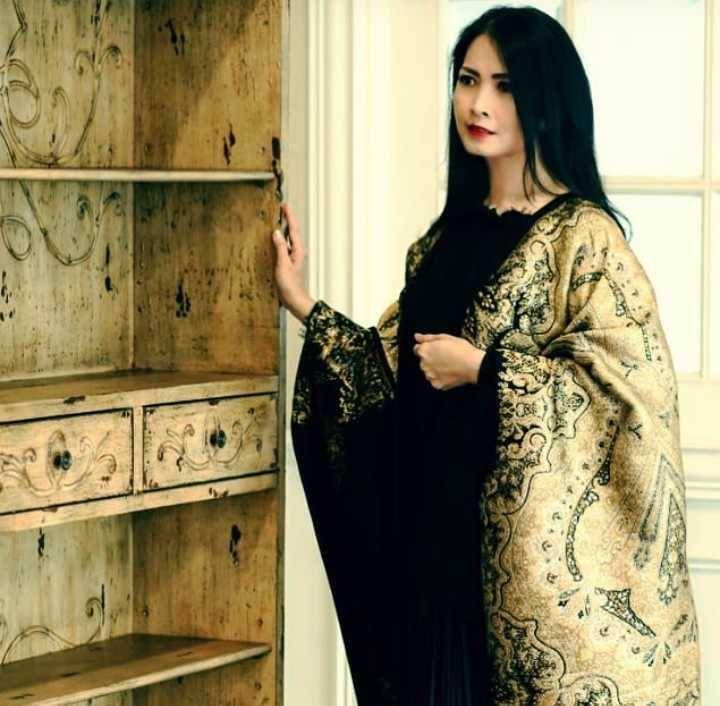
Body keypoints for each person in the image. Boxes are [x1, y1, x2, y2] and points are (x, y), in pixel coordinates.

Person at [271, 6, 702, 706]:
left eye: (504, 85)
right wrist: (300, 300)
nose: (478, 104)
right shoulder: (439, 242)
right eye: (468, 80)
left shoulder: (584, 241)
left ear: (546, 99)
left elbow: (631, 398)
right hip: (431, 557)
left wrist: (485, 370)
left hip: (511, 580)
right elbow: (386, 371)